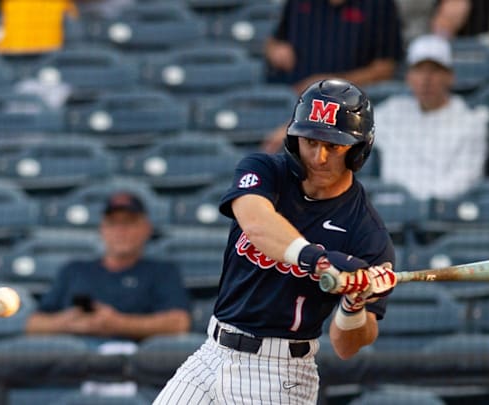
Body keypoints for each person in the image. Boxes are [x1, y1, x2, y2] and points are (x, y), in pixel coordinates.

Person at [154, 79, 398, 404]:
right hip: (211, 353)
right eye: (310, 141)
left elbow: (347, 345)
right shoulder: (266, 170)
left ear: (357, 150)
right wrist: (317, 260)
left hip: (278, 373)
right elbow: (257, 223)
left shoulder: (366, 231)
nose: (319, 157)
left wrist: (354, 304)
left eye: (334, 146)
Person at [25, 192, 191, 341]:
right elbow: (34, 324)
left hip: (132, 363)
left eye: (129, 222)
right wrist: (67, 322)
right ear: (102, 229)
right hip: (75, 362)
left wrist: (117, 323)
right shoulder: (75, 270)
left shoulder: (162, 272)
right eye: (113, 223)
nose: (121, 231)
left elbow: (178, 323)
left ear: (146, 228)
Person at [374, 34, 489, 200]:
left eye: (434, 71)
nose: (426, 80)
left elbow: (465, 181)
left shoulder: (472, 121)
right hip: (388, 216)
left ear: (450, 77)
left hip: (442, 219)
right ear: (409, 77)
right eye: (419, 70)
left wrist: (421, 207)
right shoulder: (391, 112)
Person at [265, 0, 404, 95]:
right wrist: (276, 50)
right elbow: (273, 42)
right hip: (293, 95)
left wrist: (330, 83)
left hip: (349, 100)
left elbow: (385, 68)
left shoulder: (379, 4)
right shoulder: (298, 2)